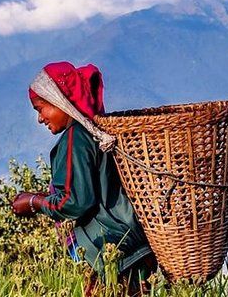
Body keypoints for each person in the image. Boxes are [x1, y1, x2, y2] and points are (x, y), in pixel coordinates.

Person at [11, 61, 156, 295]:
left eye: (40, 108)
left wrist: (33, 201)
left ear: (59, 101)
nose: (40, 119)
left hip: (108, 249)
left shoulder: (75, 139)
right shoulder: (94, 133)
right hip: (131, 246)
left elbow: (74, 202)